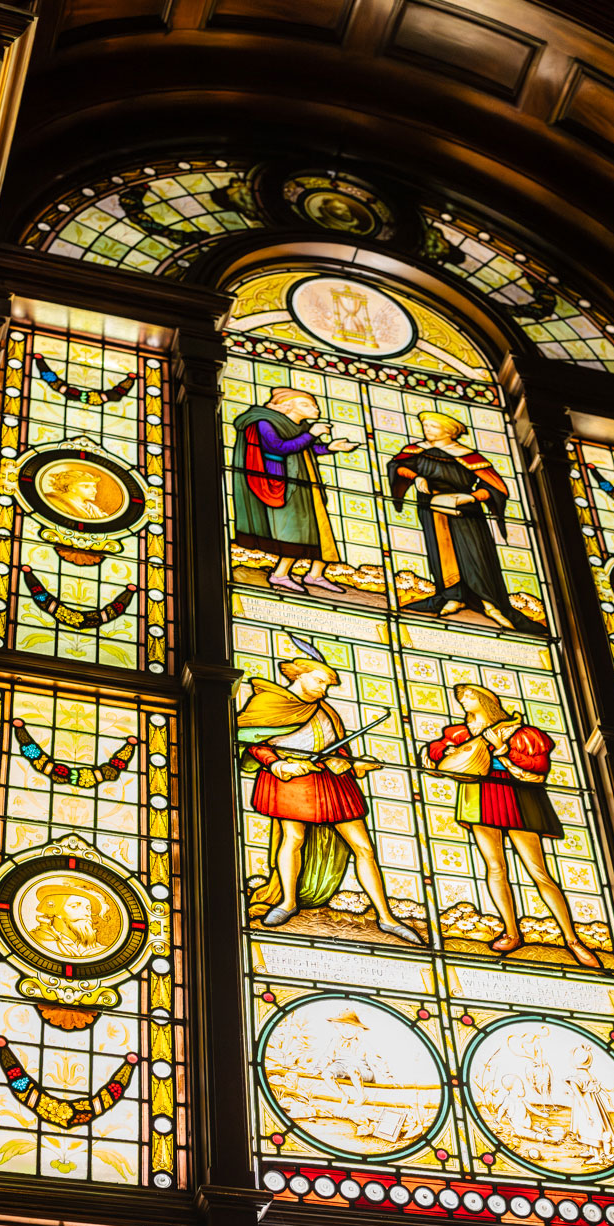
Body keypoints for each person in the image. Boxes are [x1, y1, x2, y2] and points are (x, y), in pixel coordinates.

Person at [237, 638, 421, 944]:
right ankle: (287, 903)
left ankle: (386, 918)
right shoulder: (268, 703)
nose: (324, 689)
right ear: (299, 674)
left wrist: (351, 764)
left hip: (330, 781)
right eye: (320, 681)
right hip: (291, 778)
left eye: (327, 684)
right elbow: (250, 737)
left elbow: (337, 745)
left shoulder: (327, 710)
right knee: (292, 839)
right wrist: (276, 764)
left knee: (364, 847)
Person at [424, 683, 600, 965]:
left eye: (469, 696)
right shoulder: (460, 733)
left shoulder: (517, 731)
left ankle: (572, 939)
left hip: (517, 795)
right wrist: (444, 753)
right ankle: (511, 932)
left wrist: (503, 749)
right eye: (462, 697)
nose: (463, 701)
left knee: (538, 871)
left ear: (485, 700)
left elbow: (537, 765)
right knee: (495, 866)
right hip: (478, 794)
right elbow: (435, 752)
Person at [387, 411, 543, 633]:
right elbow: (398, 468)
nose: (427, 429)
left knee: (475, 554)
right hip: (432, 507)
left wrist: (469, 497)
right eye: (426, 426)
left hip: (465, 508)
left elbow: (495, 487)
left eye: (432, 426)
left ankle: (491, 604)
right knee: (441, 554)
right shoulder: (418, 451)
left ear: (449, 431)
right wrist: (417, 477)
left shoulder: (469, 457)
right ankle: (452, 597)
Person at [231, 387, 359, 594]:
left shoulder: (302, 426)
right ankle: (280, 574)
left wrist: (330, 448)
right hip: (283, 483)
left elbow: (305, 448)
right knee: (294, 531)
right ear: (287, 406)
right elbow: (278, 447)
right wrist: (311, 434)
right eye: (307, 404)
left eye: (315, 405)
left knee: (319, 528)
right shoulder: (265, 422)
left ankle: (315, 574)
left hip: (306, 482)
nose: (315, 409)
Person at [565, 1044, 614, 1160]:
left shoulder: (574, 1079)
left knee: (590, 1130)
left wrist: (587, 1114)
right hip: (596, 1107)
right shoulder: (590, 1076)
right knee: (593, 1127)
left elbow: (580, 1097)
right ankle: (590, 1150)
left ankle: (597, 1156)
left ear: (574, 1062)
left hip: (585, 1107)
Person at [31, 882, 107, 957]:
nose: (86, 913)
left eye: (88, 908)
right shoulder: (36, 940)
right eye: (74, 906)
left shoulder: (98, 949)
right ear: (55, 911)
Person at [42, 464, 117, 522]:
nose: (94, 491)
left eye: (94, 486)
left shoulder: (94, 509)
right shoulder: (54, 502)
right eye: (86, 486)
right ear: (71, 488)